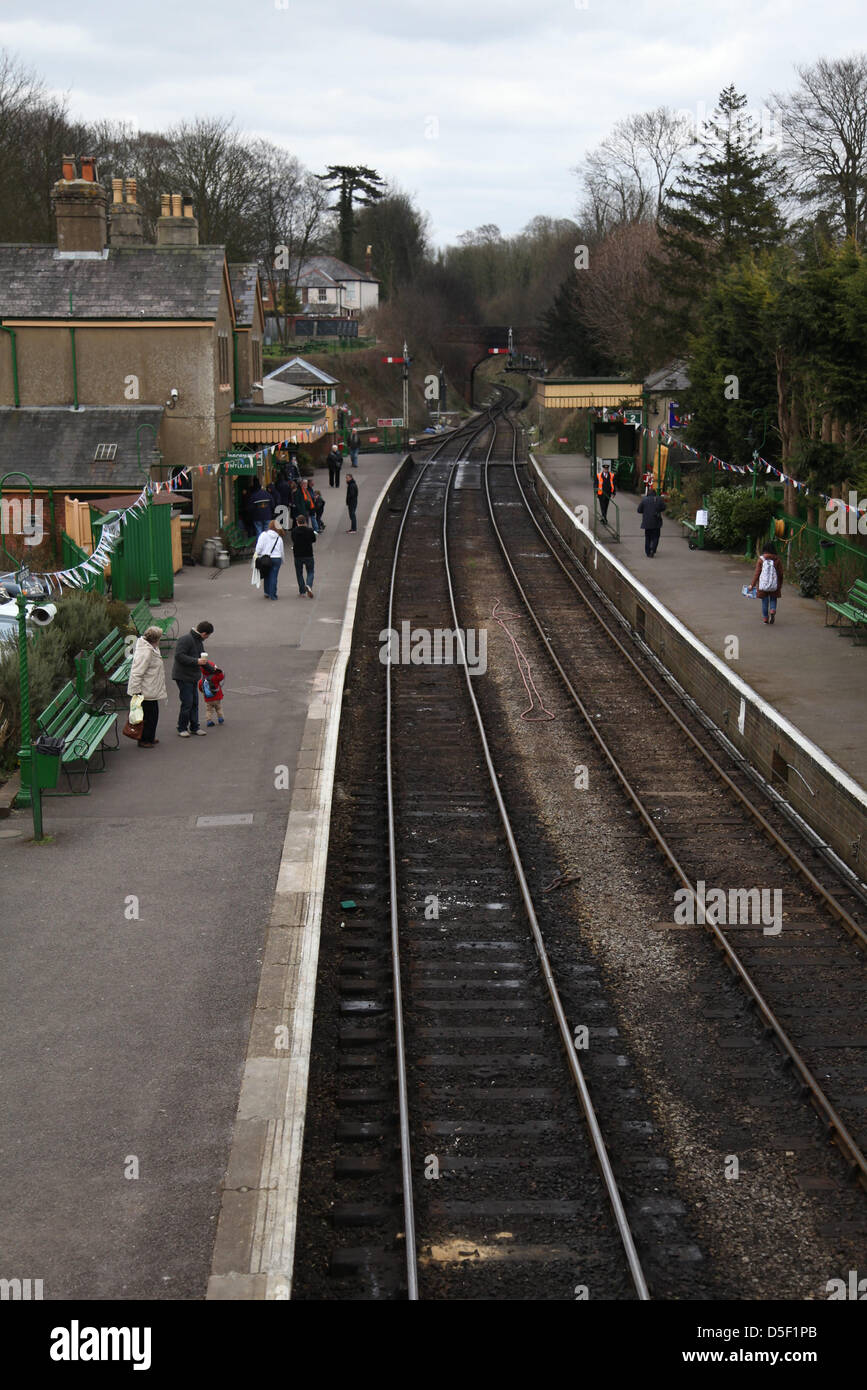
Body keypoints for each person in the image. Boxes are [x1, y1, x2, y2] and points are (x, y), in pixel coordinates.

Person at [126, 625, 167, 749]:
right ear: (155, 639)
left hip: (150, 688)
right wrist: (136, 691)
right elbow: (137, 672)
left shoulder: (151, 648)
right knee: (148, 716)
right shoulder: (146, 651)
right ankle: (144, 739)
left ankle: (149, 737)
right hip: (145, 690)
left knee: (152, 715)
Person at [172, 621, 214, 736]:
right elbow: (179, 656)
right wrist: (196, 661)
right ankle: (182, 728)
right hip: (183, 676)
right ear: (204, 633)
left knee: (194, 702)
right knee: (187, 702)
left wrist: (213, 670)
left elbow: (202, 658)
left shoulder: (198, 641)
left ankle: (195, 727)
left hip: (192, 676)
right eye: (208, 635)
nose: (207, 638)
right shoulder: (186, 639)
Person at [751, 541, 783, 624]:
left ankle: (765, 618)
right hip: (774, 584)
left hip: (763, 585)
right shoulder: (777, 560)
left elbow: (757, 573)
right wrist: (780, 584)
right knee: (773, 599)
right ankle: (772, 610)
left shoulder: (761, 560)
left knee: (764, 602)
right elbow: (780, 573)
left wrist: (752, 584)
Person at [254, 519, 284, 599]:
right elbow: (281, 550)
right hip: (277, 558)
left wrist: (257, 555)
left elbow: (259, 548)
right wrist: (282, 560)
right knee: (274, 576)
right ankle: (273, 595)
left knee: (266, 575)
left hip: (265, 558)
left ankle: (267, 592)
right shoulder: (279, 538)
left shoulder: (263, 535)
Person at [637, 485, 666, 557]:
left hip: (647, 522)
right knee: (656, 536)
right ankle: (653, 549)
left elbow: (639, 510)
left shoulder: (644, 500)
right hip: (656, 521)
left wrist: (645, 511)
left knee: (648, 537)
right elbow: (664, 507)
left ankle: (648, 551)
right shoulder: (659, 499)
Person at [292, 514, 316, 597]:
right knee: (310, 571)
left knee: (299, 573)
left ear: (297, 522)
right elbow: (314, 539)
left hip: (297, 554)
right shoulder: (309, 530)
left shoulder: (294, 531)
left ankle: (302, 591)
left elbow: (293, 540)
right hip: (308, 554)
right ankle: (308, 585)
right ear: (305, 521)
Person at [199, 661, 226, 725]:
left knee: (209, 710)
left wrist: (204, 692)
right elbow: (221, 676)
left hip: (208, 698)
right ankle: (220, 718)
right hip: (216, 697)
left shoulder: (202, 680)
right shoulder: (215, 677)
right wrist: (218, 671)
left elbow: (200, 688)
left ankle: (209, 720)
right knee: (218, 708)